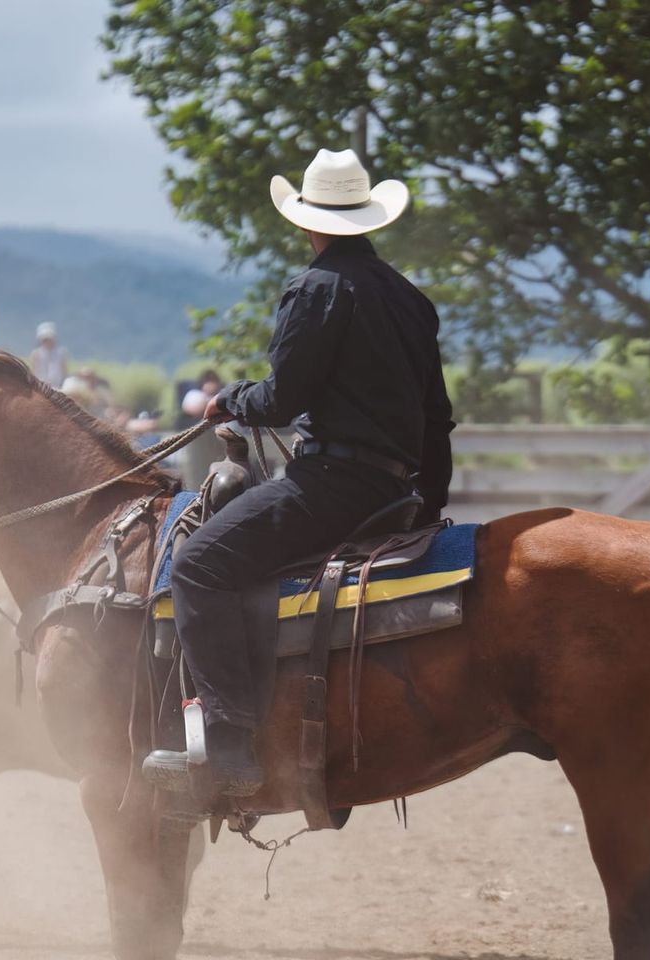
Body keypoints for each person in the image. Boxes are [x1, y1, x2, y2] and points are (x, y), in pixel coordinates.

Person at [163, 148, 454, 799]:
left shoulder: (316, 289)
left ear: (308, 223)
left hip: (332, 486)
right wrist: (427, 504)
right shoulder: (412, 300)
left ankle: (231, 737)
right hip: (392, 491)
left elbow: (282, 399)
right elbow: (438, 421)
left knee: (198, 566)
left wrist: (227, 401)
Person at [30, 322, 69, 389]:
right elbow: (34, 371)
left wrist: (62, 384)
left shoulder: (61, 353)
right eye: (45, 339)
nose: (47, 341)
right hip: (41, 387)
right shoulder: (36, 354)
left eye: (49, 339)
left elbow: (64, 371)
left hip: (59, 386)